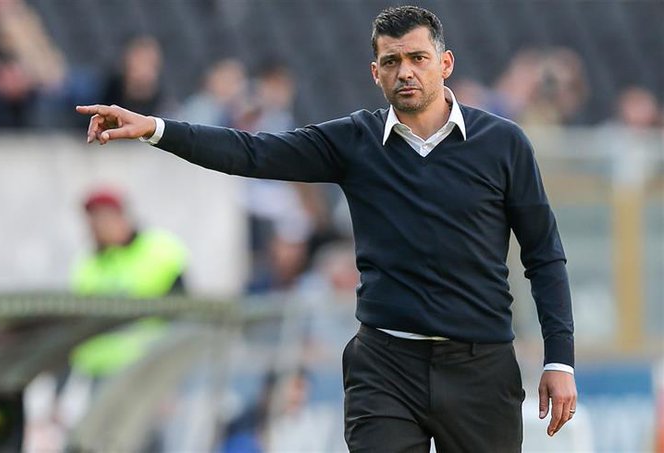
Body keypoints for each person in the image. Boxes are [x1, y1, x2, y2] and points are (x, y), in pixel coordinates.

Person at [76, 6, 577, 452]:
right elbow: (253, 152)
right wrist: (157, 129)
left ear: (444, 64)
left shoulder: (503, 144)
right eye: (391, 61)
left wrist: (560, 360)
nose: (405, 71)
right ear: (375, 73)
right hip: (386, 365)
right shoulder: (355, 141)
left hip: (479, 365)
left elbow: (543, 254)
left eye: (417, 58)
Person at [72, 188, 187, 297]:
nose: (98, 227)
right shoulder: (87, 264)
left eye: (104, 219)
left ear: (122, 217)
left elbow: (181, 303)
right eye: (93, 220)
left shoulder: (160, 249)